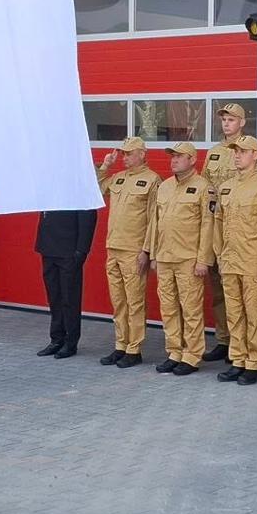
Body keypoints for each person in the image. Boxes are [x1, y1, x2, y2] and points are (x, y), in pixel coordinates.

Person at [207, 135, 257, 384]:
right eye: (236, 151)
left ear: (255, 155)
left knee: (254, 313)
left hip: (252, 262)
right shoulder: (226, 187)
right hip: (230, 260)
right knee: (234, 313)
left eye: (243, 151)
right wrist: (219, 254)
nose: (238, 155)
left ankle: (255, 364)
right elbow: (217, 223)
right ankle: (238, 359)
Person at [145, 142, 214, 375]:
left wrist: (203, 259)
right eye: (172, 156)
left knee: (191, 308)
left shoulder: (204, 187)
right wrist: (153, 254)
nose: (173, 160)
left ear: (192, 159)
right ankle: (174, 351)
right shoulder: (164, 187)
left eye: (179, 157)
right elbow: (155, 223)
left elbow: (208, 225)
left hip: (188, 259)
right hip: (165, 257)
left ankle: (192, 355)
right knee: (169, 307)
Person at [95, 137, 162, 368]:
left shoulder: (152, 180)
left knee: (135, 302)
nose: (125, 157)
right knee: (118, 302)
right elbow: (95, 187)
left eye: (129, 153)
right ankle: (120, 345)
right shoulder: (118, 178)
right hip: (113, 247)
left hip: (134, 250)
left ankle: (134, 349)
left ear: (142, 154)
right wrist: (106, 165)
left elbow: (155, 219)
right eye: (123, 154)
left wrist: (147, 251)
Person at [200, 103, 257, 362]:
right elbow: (203, 187)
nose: (226, 124)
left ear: (242, 122)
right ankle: (224, 340)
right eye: (223, 119)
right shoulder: (213, 153)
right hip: (216, 226)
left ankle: (243, 347)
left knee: (245, 299)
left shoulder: (249, 150)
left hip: (241, 229)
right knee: (219, 291)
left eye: (232, 119)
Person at [34, 208, 98, 359]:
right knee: (54, 298)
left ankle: (71, 342)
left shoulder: (78, 189)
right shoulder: (51, 189)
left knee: (70, 298)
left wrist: (82, 250)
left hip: (69, 250)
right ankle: (56, 339)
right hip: (49, 248)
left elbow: (88, 216)